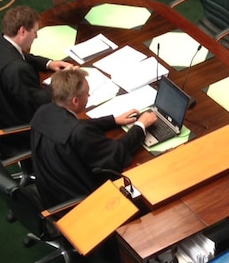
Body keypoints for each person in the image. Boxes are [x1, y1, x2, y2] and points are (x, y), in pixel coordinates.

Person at [30, 69, 157, 206]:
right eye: (87, 93)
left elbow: (72, 125)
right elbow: (115, 154)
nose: (89, 95)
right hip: (82, 204)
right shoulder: (80, 133)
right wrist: (140, 126)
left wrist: (113, 120)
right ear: (75, 101)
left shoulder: (43, 111)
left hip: (52, 192)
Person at [0, 5, 73, 127]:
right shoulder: (17, 69)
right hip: (17, 125)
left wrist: (48, 63)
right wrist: (62, 81)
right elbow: (39, 103)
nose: (36, 36)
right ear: (22, 31)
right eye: (35, 32)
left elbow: (20, 55)